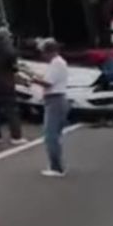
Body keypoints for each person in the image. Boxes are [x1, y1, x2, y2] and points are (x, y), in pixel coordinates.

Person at [30, 39, 69, 177]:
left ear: (49, 52)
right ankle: (56, 164)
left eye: (43, 53)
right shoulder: (58, 63)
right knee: (54, 134)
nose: (42, 56)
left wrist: (30, 79)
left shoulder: (56, 63)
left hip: (55, 100)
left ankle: (56, 167)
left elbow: (48, 83)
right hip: (56, 99)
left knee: (50, 135)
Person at [0, 27, 27, 145]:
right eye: (9, 36)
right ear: (5, 36)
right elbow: (14, 67)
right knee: (12, 111)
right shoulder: (8, 49)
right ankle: (16, 137)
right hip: (6, 83)